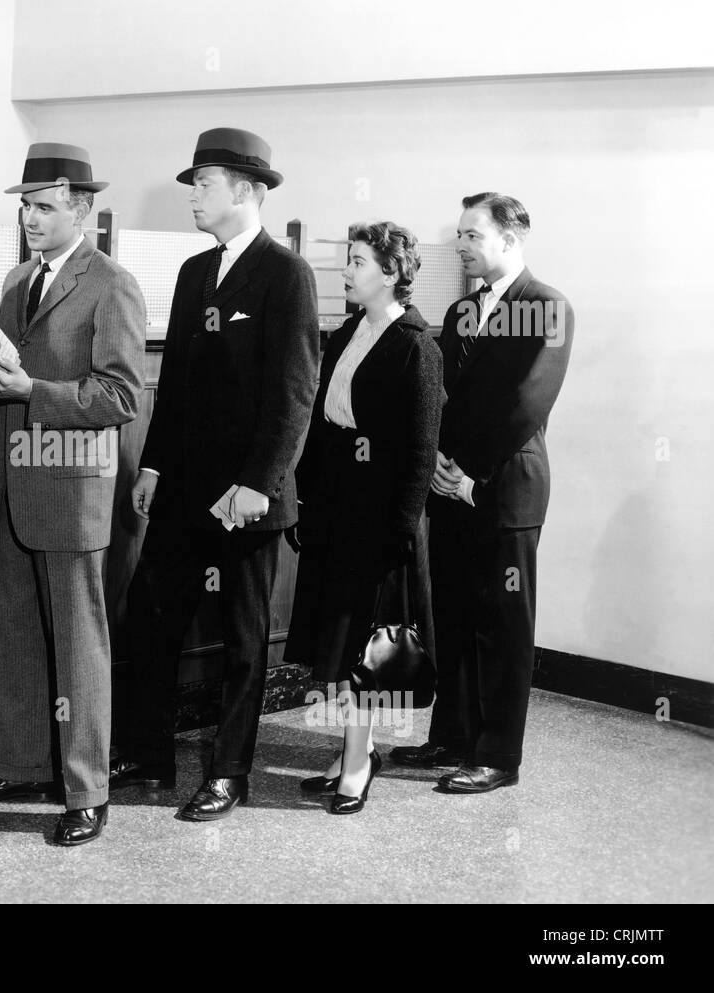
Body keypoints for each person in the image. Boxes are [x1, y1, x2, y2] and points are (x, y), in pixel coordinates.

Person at [114, 127, 320, 821]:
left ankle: (230, 771)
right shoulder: (194, 273)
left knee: (243, 637)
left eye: (204, 183)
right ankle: (147, 755)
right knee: (150, 617)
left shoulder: (286, 273)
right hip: (184, 490)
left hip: (249, 498)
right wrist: (154, 465)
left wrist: (260, 483)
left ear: (248, 190)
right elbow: (175, 385)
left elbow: (294, 392)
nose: (194, 196)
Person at [0, 142, 145, 846]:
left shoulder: (111, 285)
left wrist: (37, 391)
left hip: (70, 488)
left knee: (78, 646)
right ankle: (24, 764)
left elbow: (122, 393)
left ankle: (86, 790)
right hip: (11, 483)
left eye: (44, 206)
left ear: (83, 209)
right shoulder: (15, 284)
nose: (30, 218)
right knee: (14, 632)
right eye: (25, 207)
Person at [391, 192, 574, 793]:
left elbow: (526, 404)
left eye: (472, 235)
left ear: (510, 237)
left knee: (503, 624)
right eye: (461, 235)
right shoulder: (463, 310)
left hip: (504, 492)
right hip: (451, 486)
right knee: (455, 616)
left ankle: (498, 756)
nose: (462, 246)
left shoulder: (548, 306)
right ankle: (451, 738)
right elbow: (443, 395)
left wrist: (473, 478)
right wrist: (442, 466)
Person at [285, 222, 443, 814]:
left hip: (378, 517)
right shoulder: (349, 330)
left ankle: (356, 765)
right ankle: (355, 751)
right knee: (340, 644)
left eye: (356, 262)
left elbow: (422, 451)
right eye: (348, 261)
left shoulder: (415, 346)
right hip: (335, 505)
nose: (346, 272)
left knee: (364, 652)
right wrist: (305, 498)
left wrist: (400, 531)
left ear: (392, 274)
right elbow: (323, 425)